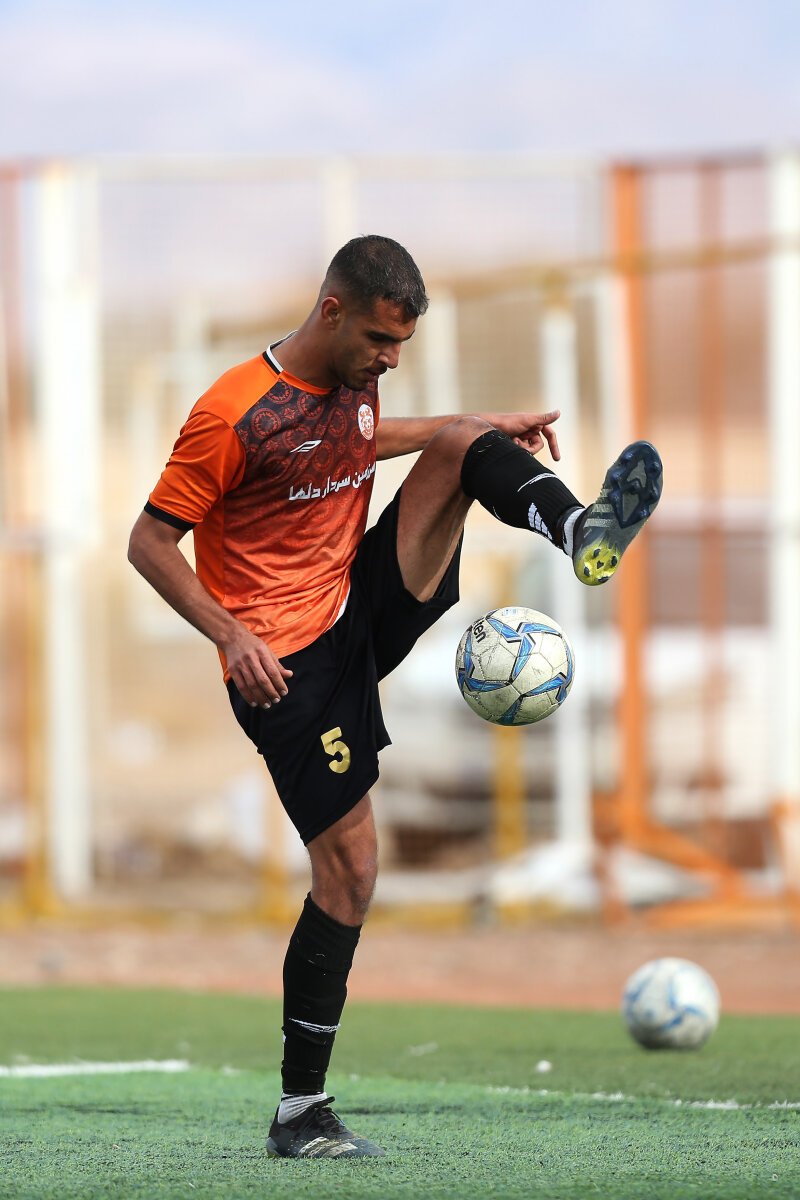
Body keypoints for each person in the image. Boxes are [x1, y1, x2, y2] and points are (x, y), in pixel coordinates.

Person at [128, 234, 662, 1160]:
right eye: (381, 341)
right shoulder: (230, 414)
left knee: (460, 443)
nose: (391, 360)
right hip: (284, 667)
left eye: (401, 344)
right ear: (331, 311)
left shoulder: (354, 381)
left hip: (355, 608)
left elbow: (359, 439)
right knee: (352, 873)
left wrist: (477, 426)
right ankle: (300, 1113)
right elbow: (148, 542)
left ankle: (580, 531)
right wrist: (230, 634)